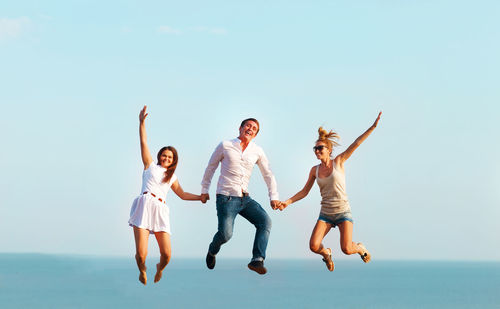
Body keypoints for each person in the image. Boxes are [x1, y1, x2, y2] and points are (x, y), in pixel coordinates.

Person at [279, 112, 381, 271]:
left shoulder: (338, 162)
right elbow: (304, 191)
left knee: (347, 249)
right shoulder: (315, 170)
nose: (317, 151)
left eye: (320, 148)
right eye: (315, 148)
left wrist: (372, 127)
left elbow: (356, 143)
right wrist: (287, 202)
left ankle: (360, 248)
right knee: (314, 246)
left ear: (329, 149)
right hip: (326, 213)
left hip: (342, 212)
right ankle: (326, 254)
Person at [128, 106, 206, 285]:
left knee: (167, 255)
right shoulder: (150, 166)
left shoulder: (173, 177)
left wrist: (200, 197)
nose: (166, 159)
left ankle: (159, 268)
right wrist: (141, 123)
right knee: (141, 254)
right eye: (164, 155)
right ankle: (142, 269)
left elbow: (183, 194)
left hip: (160, 209)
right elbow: (144, 142)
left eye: (170, 157)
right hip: (144, 204)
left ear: (173, 161)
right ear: (159, 156)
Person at [201, 118, 280, 275]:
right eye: (248, 126)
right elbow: (211, 167)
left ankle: (257, 260)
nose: (250, 129)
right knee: (226, 234)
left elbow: (268, 174)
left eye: (254, 128)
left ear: (255, 134)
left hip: (245, 198)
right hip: (226, 197)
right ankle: (212, 251)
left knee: (265, 221)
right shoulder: (225, 145)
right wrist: (205, 189)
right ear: (240, 128)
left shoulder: (257, 151)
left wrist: (274, 196)